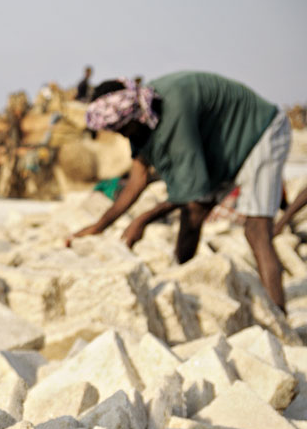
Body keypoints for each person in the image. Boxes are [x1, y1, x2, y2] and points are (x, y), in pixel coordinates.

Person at [67, 73, 292, 312]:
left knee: (256, 230)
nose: (121, 134)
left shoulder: (172, 113)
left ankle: (279, 317)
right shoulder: (141, 119)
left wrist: (143, 220)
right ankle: (184, 284)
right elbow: (138, 179)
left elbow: (190, 189)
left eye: (122, 128)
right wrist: (99, 226)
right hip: (222, 147)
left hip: (259, 132)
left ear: (130, 115)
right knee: (193, 214)